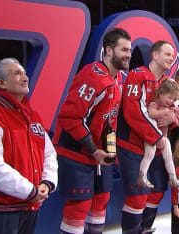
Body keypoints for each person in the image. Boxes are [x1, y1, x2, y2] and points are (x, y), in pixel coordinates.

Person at [0, 58, 58, 234]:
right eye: (17, 73)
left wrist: (47, 182)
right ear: (1, 83)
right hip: (2, 212)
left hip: (31, 206)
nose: (25, 77)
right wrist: (30, 191)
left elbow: (48, 153)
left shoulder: (32, 116)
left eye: (24, 72)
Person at [52, 28, 131, 234]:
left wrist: (110, 150)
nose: (128, 54)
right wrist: (94, 150)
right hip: (75, 151)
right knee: (78, 207)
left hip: (98, 153)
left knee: (101, 200)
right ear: (108, 50)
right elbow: (70, 118)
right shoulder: (93, 76)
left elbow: (110, 121)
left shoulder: (118, 80)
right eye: (123, 49)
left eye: (129, 49)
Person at [116, 40, 175, 234]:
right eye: (167, 54)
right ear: (154, 55)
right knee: (138, 196)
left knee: (157, 191)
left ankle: (145, 228)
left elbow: (175, 112)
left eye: (172, 55)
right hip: (132, 145)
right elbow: (133, 112)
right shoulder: (137, 75)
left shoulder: (168, 82)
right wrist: (157, 136)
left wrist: (172, 119)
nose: (171, 57)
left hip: (157, 145)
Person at [137, 79, 179, 189]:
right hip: (152, 137)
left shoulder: (169, 107)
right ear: (161, 94)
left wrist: (174, 115)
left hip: (163, 137)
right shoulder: (155, 104)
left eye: (173, 99)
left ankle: (172, 177)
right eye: (169, 97)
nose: (170, 101)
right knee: (149, 155)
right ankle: (142, 175)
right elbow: (151, 113)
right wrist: (164, 112)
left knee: (168, 156)